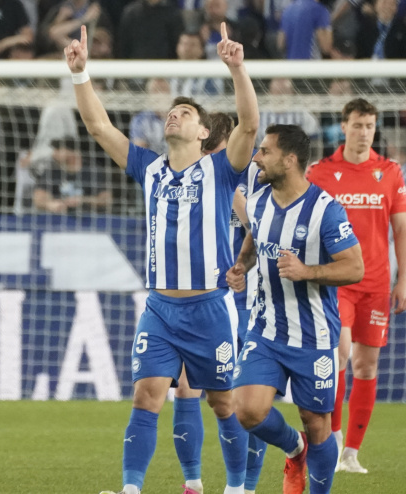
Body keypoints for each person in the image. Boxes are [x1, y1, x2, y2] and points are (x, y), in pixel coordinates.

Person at [66, 22, 260, 494]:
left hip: (210, 308)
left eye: (185, 112)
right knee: (147, 395)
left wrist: (237, 69)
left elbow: (250, 125)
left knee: (223, 403)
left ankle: (236, 487)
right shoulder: (149, 169)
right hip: (160, 309)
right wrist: (80, 75)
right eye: (172, 112)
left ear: (203, 132)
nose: (174, 116)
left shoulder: (220, 169)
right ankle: (132, 489)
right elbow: (98, 126)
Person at [229, 124, 364, 494]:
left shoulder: (326, 210)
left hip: (313, 334)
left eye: (265, 151)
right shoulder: (256, 200)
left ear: (290, 160)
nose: (256, 157)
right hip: (265, 329)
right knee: (247, 410)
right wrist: (242, 265)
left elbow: (355, 267)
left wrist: (308, 272)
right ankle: (294, 448)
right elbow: (255, 237)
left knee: (318, 423)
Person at [306, 98, 406, 474]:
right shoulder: (320, 172)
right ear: (344, 127)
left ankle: (352, 453)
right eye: (357, 124)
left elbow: (401, 228)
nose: (364, 132)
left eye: (370, 125)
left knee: (366, 367)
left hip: (377, 283)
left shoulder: (390, 172)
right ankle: (332, 442)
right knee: (339, 355)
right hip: (338, 282)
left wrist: (404, 280)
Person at [171, 111, 267, 494]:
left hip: (247, 301)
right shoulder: (196, 177)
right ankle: (193, 483)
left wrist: (241, 266)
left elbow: (261, 232)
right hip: (210, 299)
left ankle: (246, 486)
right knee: (185, 387)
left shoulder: (249, 180)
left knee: (244, 400)